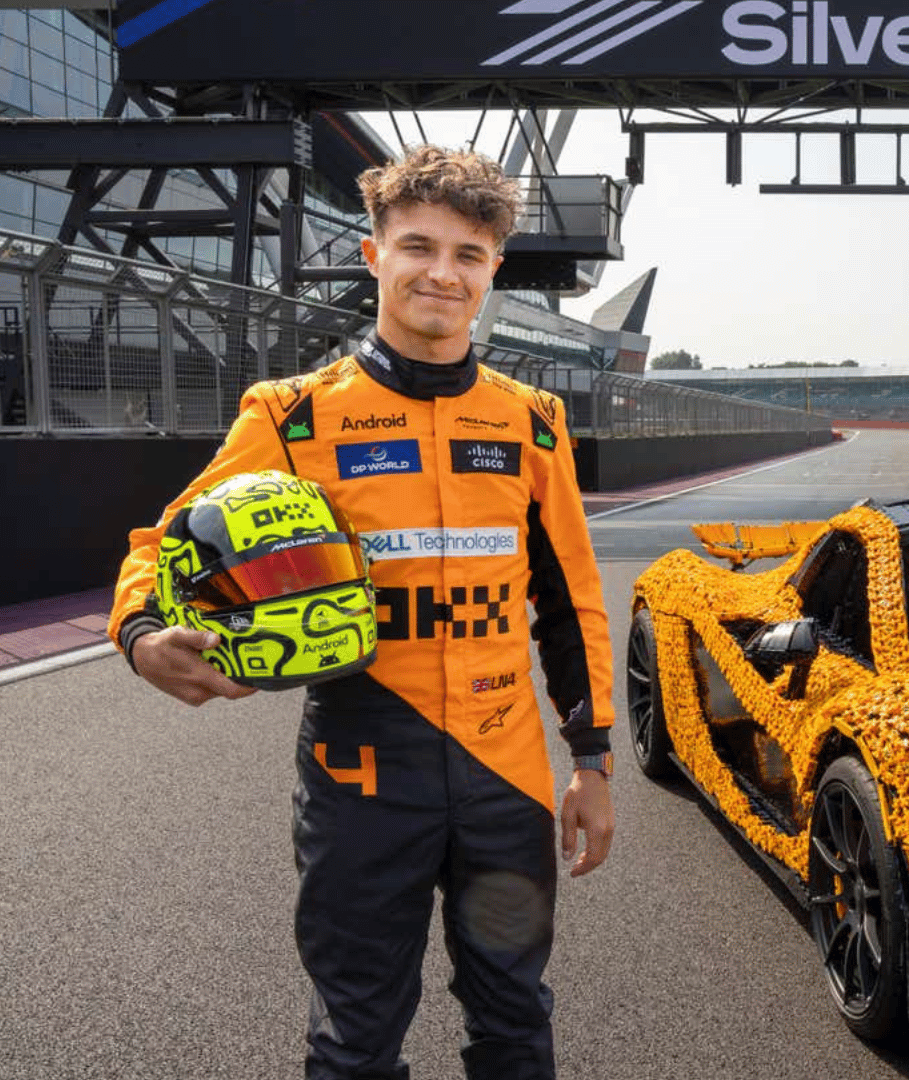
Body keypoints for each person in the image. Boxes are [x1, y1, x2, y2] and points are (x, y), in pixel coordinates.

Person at [107, 145, 616, 1080]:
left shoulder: (534, 422)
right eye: (418, 246)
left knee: (515, 1021)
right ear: (373, 254)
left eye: (468, 254)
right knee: (354, 1034)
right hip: (360, 773)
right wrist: (140, 634)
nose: (441, 272)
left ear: (493, 269)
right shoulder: (290, 415)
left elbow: (571, 602)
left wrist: (591, 761)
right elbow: (164, 545)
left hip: (507, 773)